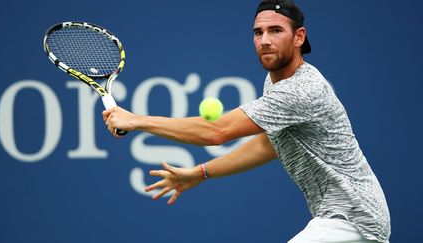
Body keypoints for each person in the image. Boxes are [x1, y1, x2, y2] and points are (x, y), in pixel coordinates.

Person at [102, 0, 391, 242]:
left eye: (275, 31)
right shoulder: (275, 82)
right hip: (344, 217)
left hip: (353, 218)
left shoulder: (301, 90)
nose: (264, 40)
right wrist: (200, 172)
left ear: (299, 37)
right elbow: (268, 145)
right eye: (258, 32)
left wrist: (136, 120)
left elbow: (216, 131)